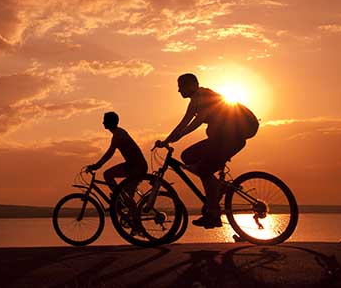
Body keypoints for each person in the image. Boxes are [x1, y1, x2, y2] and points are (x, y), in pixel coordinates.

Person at [155, 73, 259, 228]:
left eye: (181, 86)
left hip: (231, 139)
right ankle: (217, 187)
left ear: (192, 85)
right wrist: (167, 140)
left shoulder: (203, 95)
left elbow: (197, 121)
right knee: (187, 156)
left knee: (203, 170)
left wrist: (179, 136)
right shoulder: (195, 101)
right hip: (221, 139)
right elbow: (183, 123)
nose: (178, 90)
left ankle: (213, 213)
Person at [87, 111, 148, 193]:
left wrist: (97, 165)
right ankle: (118, 200)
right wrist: (98, 165)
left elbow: (109, 153)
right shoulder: (119, 132)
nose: (103, 123)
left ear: (110, 122)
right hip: (133, 165)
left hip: (137, 167)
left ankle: (118, 199)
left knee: (108, 175)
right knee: (125, 193)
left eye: (105, 120)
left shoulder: (118, 135)